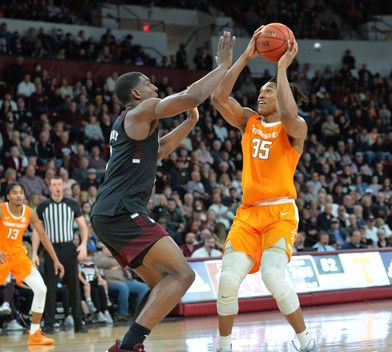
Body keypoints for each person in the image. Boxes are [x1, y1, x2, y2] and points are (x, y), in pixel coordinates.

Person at [90, 31, 235, 352]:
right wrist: (223, 66)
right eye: (148, 82)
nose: (154, 85)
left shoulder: (129, 125)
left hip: (107, 215)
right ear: (137, 93)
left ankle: (128, 343)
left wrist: (189, 123)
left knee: (162, 285)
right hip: (121, 211)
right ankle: (128, 346)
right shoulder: (143, 109)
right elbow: (190, 96)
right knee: (183, 275)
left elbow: (162, 147)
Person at [210, 27, 317, 352]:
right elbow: (218, 99)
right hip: (248, 215)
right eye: (261, 90)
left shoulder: (295, 128)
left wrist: (281, 69)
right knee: (227, 281)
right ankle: (225, 346)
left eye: (269, 91)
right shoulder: (248, 120)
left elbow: (287, 112)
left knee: (273, 275)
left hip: (281, 213)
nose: (261, 95)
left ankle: (305, 340)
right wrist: (245, 56)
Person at [0, 182, 64, 345]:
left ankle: (34, 333)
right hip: (1, 256)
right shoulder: (2, 209)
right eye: (15, 193)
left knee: (41, 289)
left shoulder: (30, 213)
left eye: (21, 192)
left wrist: (56, 260)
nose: (19, 195)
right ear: (8, 196)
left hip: (19, 257)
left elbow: (43, 236)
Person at [33, 176, 89, 334]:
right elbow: (38, 232)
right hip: (50, 251)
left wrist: (83, 245)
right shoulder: (43, 206)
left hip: (69, 248)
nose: (57, 187)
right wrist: (35, 254)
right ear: (49, 188)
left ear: (63, 186)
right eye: (54, 185)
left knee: (74, 287)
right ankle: (49, 324)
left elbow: (83, 227)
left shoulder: (72, 204)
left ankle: (79, 322)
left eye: (59, 184)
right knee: (49, 288)